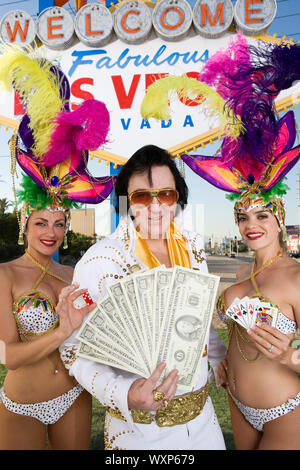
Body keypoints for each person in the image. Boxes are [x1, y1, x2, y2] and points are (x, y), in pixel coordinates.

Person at [153, 36, 300, 449]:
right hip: (234, 399)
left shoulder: (296, 276)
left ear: (279, 218)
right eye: (241, 217)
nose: (250, 226)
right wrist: (221, 363)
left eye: (261, 216)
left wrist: (291, 357)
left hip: (283, 410)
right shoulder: (241, 271)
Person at [59, 144, 227, 450]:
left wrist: (218, 356)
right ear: (126, 201)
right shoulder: (100, 261)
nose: (155, 207)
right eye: (141, 196)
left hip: (205, 425)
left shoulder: (192, 246)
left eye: (166, 194)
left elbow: (197, 318)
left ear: (177, 199)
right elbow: (73, 352)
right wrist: (124, 392)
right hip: (138, 433)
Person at [0, 45, 114, 450]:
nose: (51, 232)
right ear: (24, 224)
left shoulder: (73, 274)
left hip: (73, 395)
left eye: (60, 223)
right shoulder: (6, 275)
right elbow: (9, 356)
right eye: (41, 223)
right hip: (22, 403)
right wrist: (65, 328)